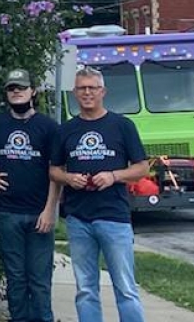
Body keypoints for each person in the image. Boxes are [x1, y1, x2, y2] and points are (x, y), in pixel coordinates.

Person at [50, 67, 149, 322]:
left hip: (113, 217)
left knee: (125, 288)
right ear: (74, 93)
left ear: (102, 91)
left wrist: (114, 176)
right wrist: (69, 178)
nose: (87, 93)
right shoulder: (66, 130)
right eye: (81, 88)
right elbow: (53, 170)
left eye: (92, 88)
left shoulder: (122, 125)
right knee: (85, 289)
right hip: (78, 218)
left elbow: (142, 168)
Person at [0, 69, 61, 322]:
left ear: (32, 91)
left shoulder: (48, 127)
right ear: (6, 94)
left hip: (39, 212)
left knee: (40, 280)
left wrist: (50, 209)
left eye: (21, 87)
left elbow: (57, 171)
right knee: (16, 278)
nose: (17, 92)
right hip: (8, 212)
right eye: (11, 88)